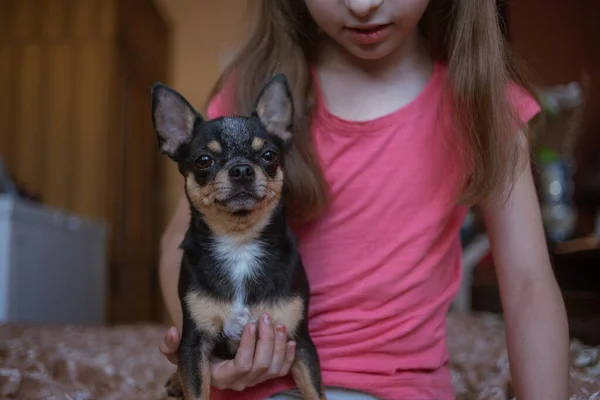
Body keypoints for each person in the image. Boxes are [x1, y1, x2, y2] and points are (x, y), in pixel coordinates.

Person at [158, 1, 570, 399]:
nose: (362, 4)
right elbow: (182, 239)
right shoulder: (252, 86)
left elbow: (528, 284)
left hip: (399, 387)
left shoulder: (485, 103)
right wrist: (208, 354)